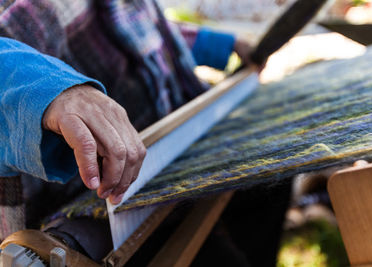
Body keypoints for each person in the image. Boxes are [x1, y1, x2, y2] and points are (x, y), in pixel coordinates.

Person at [0, 0, 292, 265]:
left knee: (272, 182)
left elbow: (140, 31)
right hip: (95, 205)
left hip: (174, 148)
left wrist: (216, 44)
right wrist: (49, 91)